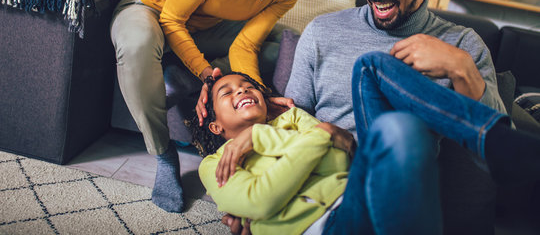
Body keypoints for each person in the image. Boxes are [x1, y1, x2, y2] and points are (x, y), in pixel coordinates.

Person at [213, 0, 540, 232]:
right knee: (374, 69)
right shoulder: (323, 32)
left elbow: (484, 167)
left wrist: (462, 68)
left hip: (404, 188)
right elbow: (291, 124)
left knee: (402, 129)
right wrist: (255, 204)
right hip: (338, 190)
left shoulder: (463, 45)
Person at [110, 0, 367, 213]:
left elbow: (245, 44)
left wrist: (258, 91)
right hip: (152, 10)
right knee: (139, 43)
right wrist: (207, 75)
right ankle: (163, 155)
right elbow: (172, 20)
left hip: (206, 29)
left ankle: (180, 75)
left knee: (276, 49)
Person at [195, 70, 540, 234]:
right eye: (227, 92)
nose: (242, 91)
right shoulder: (212, 165)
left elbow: (340, 160)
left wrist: (269, 135)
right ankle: (498, 144)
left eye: (248, 85)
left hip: (363, 195)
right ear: (215, 126)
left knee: (396, 117)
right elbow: (260, 201)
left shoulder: (290, 119)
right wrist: (323, 134)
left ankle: (498, 145)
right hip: (330, 226)